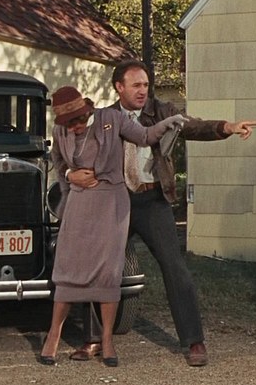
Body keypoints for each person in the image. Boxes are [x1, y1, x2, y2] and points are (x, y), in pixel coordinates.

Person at [67, 60, 256, 366]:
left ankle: (194, 342)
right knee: (99, 268)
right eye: (136, 85)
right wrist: (72, 174)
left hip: (152, 199)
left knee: (174, 267)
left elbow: (192, 125)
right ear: (119, 87)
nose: (143, 91)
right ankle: (93, 339)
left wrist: (228, 127)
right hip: (114, 201)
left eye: (145, 85)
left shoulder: (162, 111)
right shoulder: (104, 118)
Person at [39, 85, 185, 367]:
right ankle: (53, 335)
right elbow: (57, 160)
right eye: (69, 124)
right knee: (68, 267)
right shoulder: (60, 131)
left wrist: (168, 123)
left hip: (110, 204)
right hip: (78, 203)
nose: (74, 128)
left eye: (77, 121)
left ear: (86, 112)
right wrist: (70, 175)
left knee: (107, 271)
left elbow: (145, 136)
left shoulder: (112, 119)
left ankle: (106, 340)